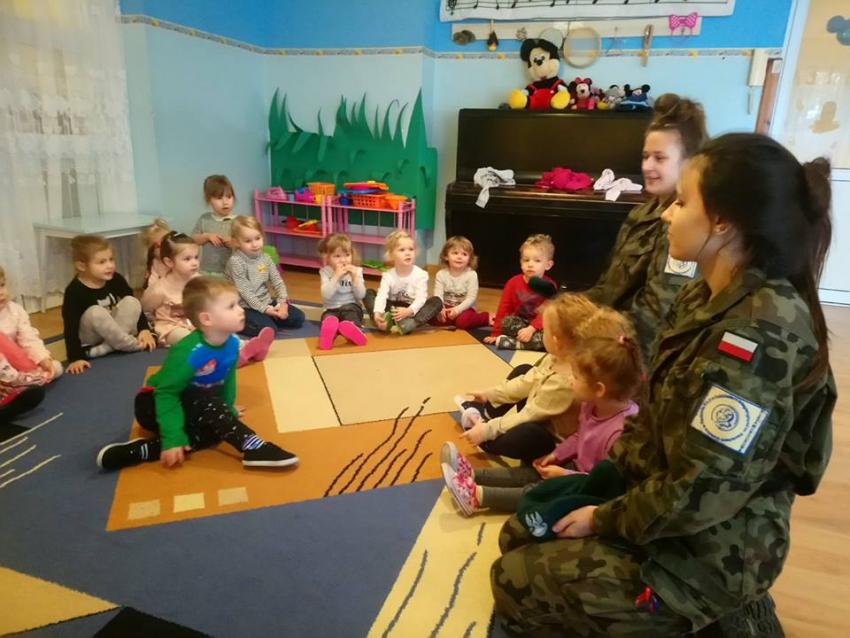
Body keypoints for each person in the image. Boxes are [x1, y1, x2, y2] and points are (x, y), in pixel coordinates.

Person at [491, 134, 836, 638]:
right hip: (662, 502)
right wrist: (598, 481)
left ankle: (728, 617)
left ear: (722, 221)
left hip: (709, 549)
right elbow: (652, 417)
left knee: (515, 583)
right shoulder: (703, 295)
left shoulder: (756, 337)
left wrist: (602, 518)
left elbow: (703, 492)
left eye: (682, 202)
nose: (667, 215)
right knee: (520, 535)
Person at [96, 276, 299, 471]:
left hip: (194, 403)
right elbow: (166, 393)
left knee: (216, 432)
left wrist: (227, 409)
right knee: (209, 410)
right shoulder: (189, 351)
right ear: (207, 319)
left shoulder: (231, 343)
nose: (240, 310)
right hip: (153, 403)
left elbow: (227, 379)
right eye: (231, 306)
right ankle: (253, 446)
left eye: (238, 304)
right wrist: (173, 436)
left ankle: (143, 450)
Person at [443, 321, 642, 516]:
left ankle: (478, 496)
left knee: (538, 491)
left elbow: (605, 484)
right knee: (532, 473)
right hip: (575, 469)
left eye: (576, 377)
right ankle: (472, 474)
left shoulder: (622, 431)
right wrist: (557, 455)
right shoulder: (591, 405)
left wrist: (565, 475)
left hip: (589, 488)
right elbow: (579, 437)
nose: (570, 380)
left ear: (599, 389)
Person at [583, 94, 709, 363]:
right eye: (645, 156)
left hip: (632, 355)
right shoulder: (642, 212)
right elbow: (608, 287)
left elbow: (656, 316)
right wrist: (571, 310)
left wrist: (592, 339)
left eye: (659, 158)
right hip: (607, 332)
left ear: (689, 162)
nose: (647, 166)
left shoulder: (684, 227)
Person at [457, 294, 626, 465]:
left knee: (527, 433)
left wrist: (487, 431)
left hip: (550, 439)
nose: (541, 332)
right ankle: (487, 414)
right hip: (538, 410)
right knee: (523, 370)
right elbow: (526, 382)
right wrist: (491, 394)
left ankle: (487, 440)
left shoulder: (564, 382)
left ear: (556, 342)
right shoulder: (555, 357)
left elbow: (529, 415)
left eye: (543, 330)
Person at [62, 235, 156, 375]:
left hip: (113, 332)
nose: (110, 265)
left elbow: (133, 305)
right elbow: (70, 327)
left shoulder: (116, 279)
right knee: (96, 311)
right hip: (92, 337)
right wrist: (75, 358)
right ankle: (129, 344)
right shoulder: (74, 291)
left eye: (111, 259)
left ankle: (108, 347)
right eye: (102, 262)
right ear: (82, 266)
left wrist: (144, 329)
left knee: (132, 301)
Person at [225, 216, 305, 337]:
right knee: (268, 329)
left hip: (266, 302)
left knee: (298, 318)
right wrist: (265, 310)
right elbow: (245, 292)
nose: (254, 244)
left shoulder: (265, 258)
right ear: (236, 242)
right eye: (248, 241)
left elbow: (277, 281)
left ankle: (269, 318)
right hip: (245, 307)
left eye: (257, 238)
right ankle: (236, 323)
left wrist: (282, 304)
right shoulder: (236, 261)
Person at [0, 265, 61, 423]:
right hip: (5, 374)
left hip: (18, 368)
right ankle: (13, 391)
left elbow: (29, 338)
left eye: (2, 285)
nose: (1, 292)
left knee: (56, 367)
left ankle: (17, 390)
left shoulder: (15, 311)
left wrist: (43, 359)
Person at [485, 234, 556, 351]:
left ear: (548, 265)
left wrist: (532, 329)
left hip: (539, 326)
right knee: (507, 322)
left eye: (537, 261)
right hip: (519, 323)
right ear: (521, 263)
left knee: (551, 335)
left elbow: (547, 313)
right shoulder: (512, 283)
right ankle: (525, 341)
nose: (530, 264)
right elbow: (504, 308)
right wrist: (496, 333)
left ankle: (516, 344)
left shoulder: (549, 286)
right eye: (526, 260)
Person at [364, 230, 442, 334]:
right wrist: (377, 313)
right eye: (402, 250)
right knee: (368, 293)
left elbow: (421, 298)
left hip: (412, 310)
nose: (408, 253)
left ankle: (411, 323)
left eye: (411, 249)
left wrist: (409, 311)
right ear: (391, 255)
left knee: (437, 301)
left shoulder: (421, 274)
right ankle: (381, 321)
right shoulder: (388, 275)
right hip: (392, 310)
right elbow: (382, 296)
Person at [141, 232, 199, 347]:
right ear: (169, 262)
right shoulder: (159, 289)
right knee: (190, 340)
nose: (194, 263)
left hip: (195, 323)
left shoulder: (198, 280)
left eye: (196, 257)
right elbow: (144, 310)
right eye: (187, 259)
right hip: (170, 327)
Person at [317, 233, 368, 350]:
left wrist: (355, 279)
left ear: (352, 254)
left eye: (347, 255)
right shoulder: (325, 272)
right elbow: (326, 295)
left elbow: (361, 295)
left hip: (351, 306)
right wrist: (336, 277)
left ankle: (355, 330)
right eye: (337, 256)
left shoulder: (357, 271)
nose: (343, 260)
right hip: (331, 308)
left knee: (349, 313)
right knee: (328, 318)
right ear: (327, 257)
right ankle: (329, 337)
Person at [432, 236, 490, 330]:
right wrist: (441, 309)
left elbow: (471, 298)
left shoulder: (471, 275)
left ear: (470, 258)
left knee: (463, 323)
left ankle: (485, 317)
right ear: (446, 256)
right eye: (455, 253)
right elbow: (438, 295)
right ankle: (452, 320)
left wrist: (457, 310)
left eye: (464, 254)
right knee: (433, 317)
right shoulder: (441, 274)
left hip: (466, 308)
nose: (459, 257)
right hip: (447, 306)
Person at [192, 174, 236, 276]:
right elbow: (193, 240)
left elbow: (247, 245)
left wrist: (234, 242)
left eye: (229, 197)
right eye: (219, 198)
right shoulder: (204, 219)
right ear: (209, 200)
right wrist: (206, 236)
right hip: (207, 271)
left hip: (231, 273)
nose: (225, 202)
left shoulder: (239, 221)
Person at [140, 217, 171, 289]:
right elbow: (152, 282)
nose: (164, 247)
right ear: (151, 250)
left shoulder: (175, 258)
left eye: (166, 242)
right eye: (158, 246)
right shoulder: (155, 263)